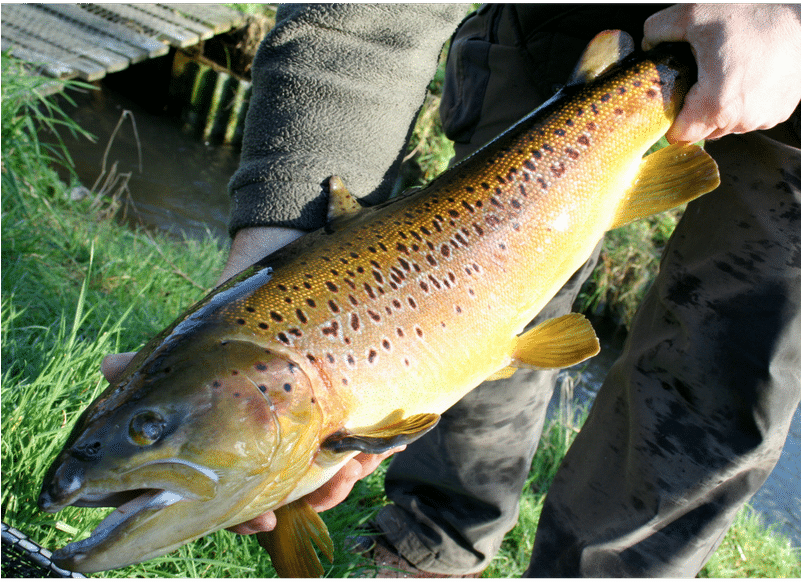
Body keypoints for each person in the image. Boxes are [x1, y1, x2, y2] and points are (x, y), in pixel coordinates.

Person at [102, 3, 801, 578]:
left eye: (148, 429)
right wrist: (281, 235)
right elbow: (356, 21)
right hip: (555, 29)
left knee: (720, 386)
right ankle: (428, 546)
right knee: (467, 325)